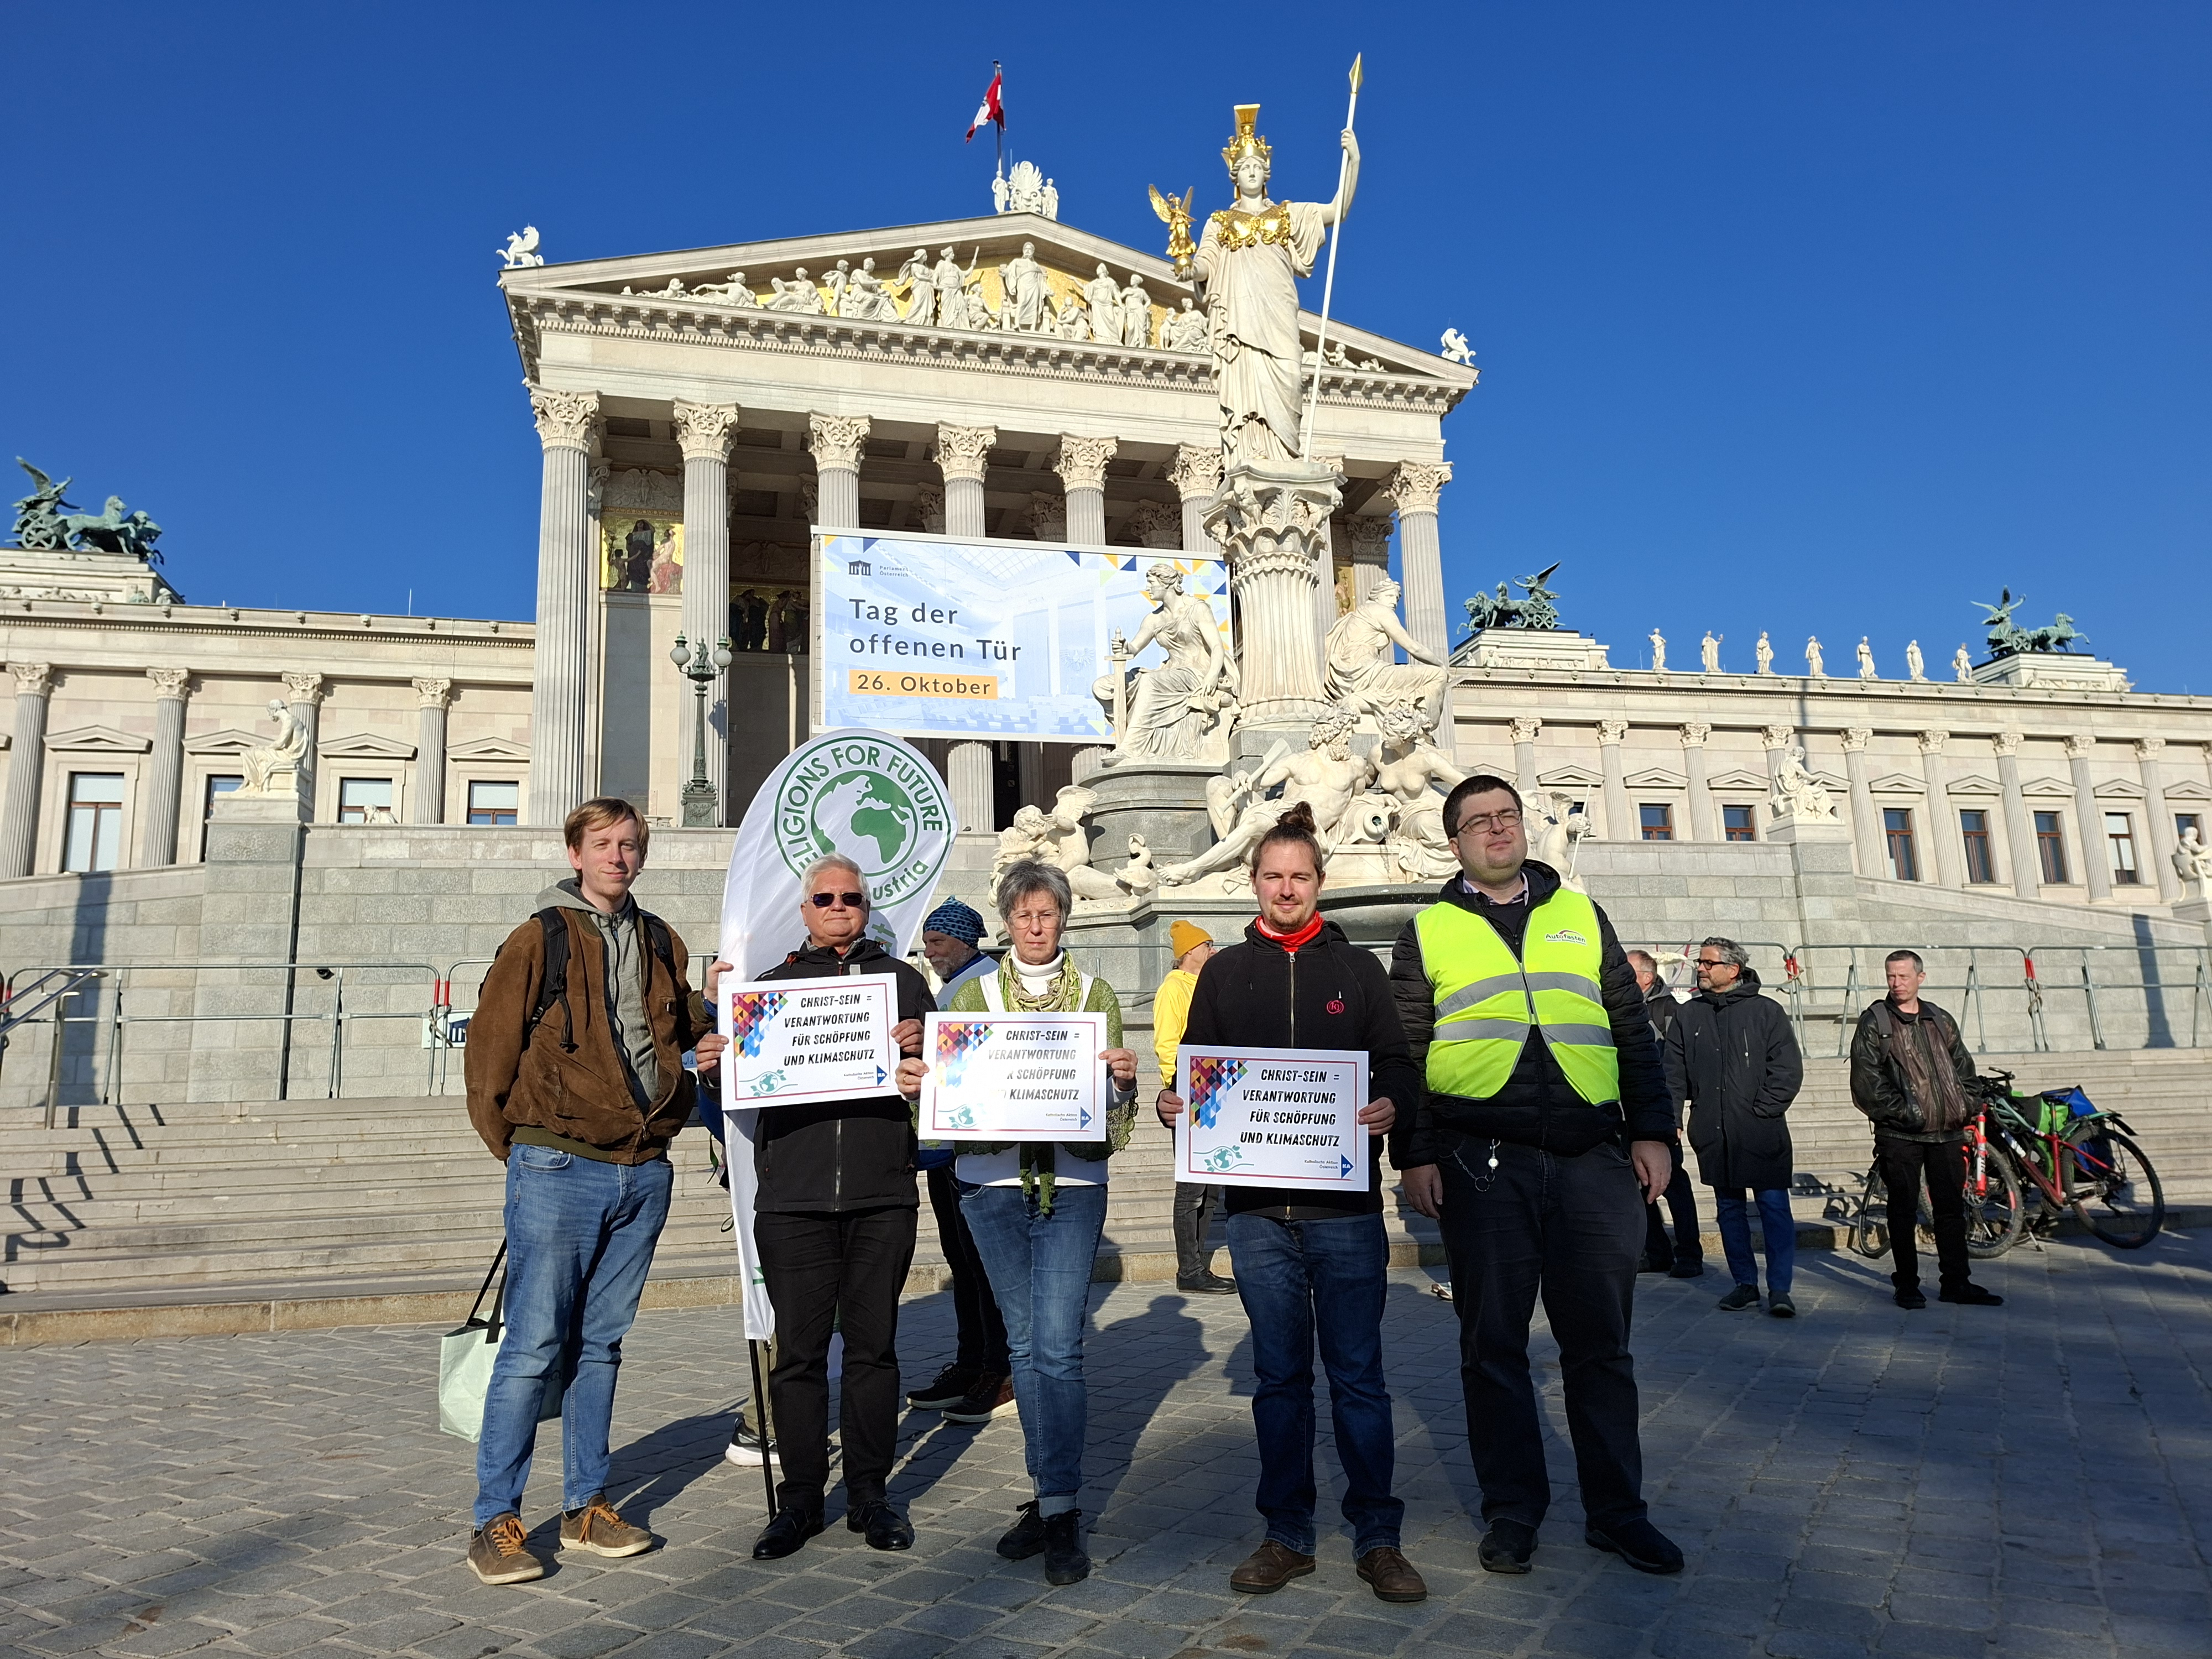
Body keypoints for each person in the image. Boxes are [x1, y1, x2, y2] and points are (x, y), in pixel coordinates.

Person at [1394, 776, 1682, 1578]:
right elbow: (1409, 1053)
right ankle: (1513, 1510)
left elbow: (1632, 1032)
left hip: (1594, 1156)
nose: (1497, 831)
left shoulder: (1581, 914)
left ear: (1524, 830)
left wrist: (1655, 1133)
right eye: (1478, 823)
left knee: (1603, 1347)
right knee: (1492, 1347)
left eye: (1507, 817)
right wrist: (1414, 1153)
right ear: (1454, 844)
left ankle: (1618, 1512)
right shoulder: (1426, 929)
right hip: (1482, 1159)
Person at [1155, 804, 1428, 1605]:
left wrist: (1388, 1106)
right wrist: (1179, 1105)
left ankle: (1378, 1537)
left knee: (1359, 1380)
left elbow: (1400, 1068)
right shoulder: (1225, 975)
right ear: (1254, 883)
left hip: (1344, 1213)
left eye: (1299, 877)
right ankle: (1288, 1534)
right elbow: (1195, 1078)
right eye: (1272, 876)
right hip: (1256, 1217)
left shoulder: (1359, 974)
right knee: (1279, 1382)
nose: (1285, 888)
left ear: (1318, 883)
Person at [460, 799, 723, 1585]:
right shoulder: (538, 937)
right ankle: (495, 1520)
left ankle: (585, 1508)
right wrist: (525, 1151)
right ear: (576, 853)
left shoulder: (658, 939)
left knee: (601, 1345)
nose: (619, 856)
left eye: (631, 844)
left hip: (643, 1168)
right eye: (605, 844)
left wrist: (716, 1022)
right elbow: (489, 1057)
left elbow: (683, 1031)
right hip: (557, 1165)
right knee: (535, 1345)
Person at [897, 859, 1140, 1586]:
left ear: (1064, 919)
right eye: (1025, 915)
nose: (1037, 927)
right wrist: (917, 1086)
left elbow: (1115, 1124)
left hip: (1072, 1182)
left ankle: (1060, 1506)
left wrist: (1123, 1087)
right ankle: (1049, 1495)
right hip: (990, 1185)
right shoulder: (969, 991)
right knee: (1029, 1347)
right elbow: (941, 1103)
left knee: (1058, 1348)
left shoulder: (1096, 995)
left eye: (1049, 914)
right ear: (1006, 921)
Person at [732, 855, 935, 1561]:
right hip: (792, 1199)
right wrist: (713, 1059)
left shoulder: (905, 982)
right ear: (806, 910)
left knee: (875, 1352)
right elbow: (729, 1097)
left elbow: (943, 1094)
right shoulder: (771, 990)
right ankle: (799, 1502)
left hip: (881, 1194)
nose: (839, 906)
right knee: (799, 1359)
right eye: (826, 898)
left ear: (865, 906)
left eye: (852, 897)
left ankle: (872, 1495)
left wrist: (923, 1061)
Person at [906, 899, 1015, 1423]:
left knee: (982, 1265)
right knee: (963, 1263)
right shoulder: (954, 986)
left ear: (968, 942)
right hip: (945, 1149)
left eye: (939, 943)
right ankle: (974, 1362)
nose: (931, 953)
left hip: (972, 1149)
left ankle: (1001, 1368)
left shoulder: (986, 985)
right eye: (927, 943)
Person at [1849, 950, 2004, 1311]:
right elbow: (1867, 1084)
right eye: (1891, 976)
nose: (1896, 983)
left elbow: (1964, 1067)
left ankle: (1957, 1282)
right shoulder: (1875, 1022)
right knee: (1902, 1211)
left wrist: (1966, 1105)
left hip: (1948, 1133)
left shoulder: (1940, 1019)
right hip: (1901, 1135)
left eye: (1903, 976)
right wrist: (1908, 1114)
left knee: (1951, 1210)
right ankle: (1907, 1285)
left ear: (1921, 977)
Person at [1663, 938, 1803, 1317]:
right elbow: (1673, 1074)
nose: (1701, 969)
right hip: (1714, 1131)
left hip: (1761, 1131)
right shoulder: (1688, 1015)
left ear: (1733, 970)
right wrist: (1673, 1119)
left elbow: (1787, 1070)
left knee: (1774, 1208)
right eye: (1700, 962)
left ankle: (1780, 1289)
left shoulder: (1766, 1012)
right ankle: (1745, 1284)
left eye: (1708, 963)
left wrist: (1763, 1111)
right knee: (1729, 1209)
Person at [1154, 919, 1234, 1295]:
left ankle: (1198, 1265)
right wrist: (1181, 1087)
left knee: (1211, 1187)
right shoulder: (1174, 988)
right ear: (1190, 953)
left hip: (1216, 1091)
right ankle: (1189, 1268)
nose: (1213, 951)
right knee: (1192, 1189)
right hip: (1191, 1094)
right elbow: (1168, 1044)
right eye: (1207, 946)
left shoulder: (1208, 986)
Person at [1628, 951, 1703, 1279]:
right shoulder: (1620, 1008)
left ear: (1647, 978)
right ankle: (1657, 1252)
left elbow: (1677, 1069)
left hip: (1659, 1113)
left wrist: (1672, 1119)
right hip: (1627, 1114)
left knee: (1674, 1185)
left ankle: (1690, 1254)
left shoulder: (1670, 1010)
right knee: (1638, 1186)